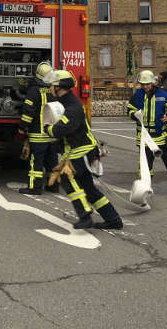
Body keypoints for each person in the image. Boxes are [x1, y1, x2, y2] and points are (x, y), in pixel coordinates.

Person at [44, 69, 123, 230]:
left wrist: (47, 129)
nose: (50, 88)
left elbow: (60, 129)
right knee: (88, 188)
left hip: (83, 152)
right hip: (81, 151)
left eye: (52, 85)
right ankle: (113, 220)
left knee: (67, 179)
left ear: (60, 87)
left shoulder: (72, 107)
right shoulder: (65, 103)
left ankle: (85, 215)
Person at [127, 70, 167, 197]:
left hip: (162, 136)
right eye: (142, 84)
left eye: (147, 84)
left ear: (153, 83)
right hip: (144, 137)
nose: (145, 86)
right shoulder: (137, 95)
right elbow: (129, 109)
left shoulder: (164, 94)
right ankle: (144, 190)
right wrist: (134, 115)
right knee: (145, 167)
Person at [18, 61, 59, 195]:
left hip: (37, 134)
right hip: (52, 134)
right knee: (52, 161)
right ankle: (53, 185)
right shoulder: (54, 90)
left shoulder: (34, 91)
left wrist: (22, 127)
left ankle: (34, 188)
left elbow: (28, 113)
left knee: (36, 162)